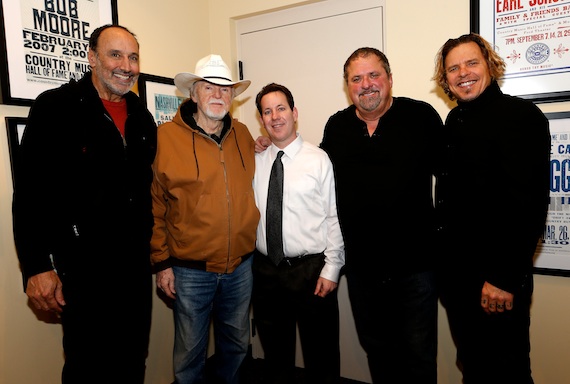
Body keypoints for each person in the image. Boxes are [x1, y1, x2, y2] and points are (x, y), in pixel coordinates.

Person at [256, 47, 442, 383]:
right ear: (347, 86)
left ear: (389, 78)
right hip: (363, 271)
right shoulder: (338, 127)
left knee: (418, 355)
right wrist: (266, 146)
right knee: (379, 352)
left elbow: (451, 182)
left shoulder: (422, 117)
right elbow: (321, 193)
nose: (366, 84)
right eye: (357, 78)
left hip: (414, 269)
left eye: (374, 75)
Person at [12, 24, 156, 383]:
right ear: (92, 58)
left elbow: (146, 189)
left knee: (132, 361)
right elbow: (29, 193)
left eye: (133, 56)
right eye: (115, 54)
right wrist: (35, 266)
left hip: (135, 268)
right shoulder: (55, 108)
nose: (127, 65)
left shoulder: (143, 117)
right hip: (82, 270)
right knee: (87, 366)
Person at [432, 33, 550, 384]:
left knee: (507, 373)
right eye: (453, 68)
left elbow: (527, 206)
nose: (462, 73)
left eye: (471, 63)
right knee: (475, 369)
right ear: (446, 79)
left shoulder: (520, 116)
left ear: (490, 66)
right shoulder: (455, 121)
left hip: (496, 283)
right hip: (459, 281)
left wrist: (502, 278)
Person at [151, 54, 259, 384]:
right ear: (193, 93)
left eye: (225, 89)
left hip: (240, 268)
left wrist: (266, 144)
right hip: (189, 271)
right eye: (209, 87)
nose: (217, 95)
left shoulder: (242, 134)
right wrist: (161, 262)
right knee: (189, 355)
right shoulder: (165, 138)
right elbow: (155, 206)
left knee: (237, 347)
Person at [252, 83, 345, 384]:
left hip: (310, 271)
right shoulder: (255, 160)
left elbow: (333, 217)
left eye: (281, 109)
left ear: (294, 113)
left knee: (322, 356)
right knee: (275, 356)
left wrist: (332, 268)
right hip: (266, 271)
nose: (275, 117)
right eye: (267, 111)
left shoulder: (318, 159)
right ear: (262, 119)